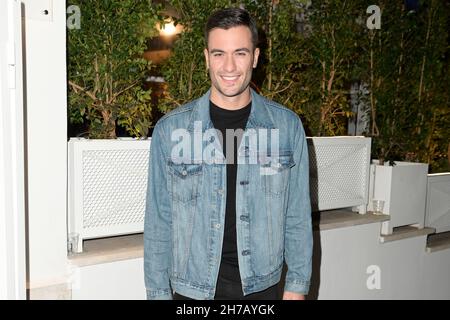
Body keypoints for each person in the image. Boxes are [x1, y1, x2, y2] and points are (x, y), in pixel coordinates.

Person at [144, 7, 312, 300]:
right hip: (192, 292)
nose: (230, 66)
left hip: (262, 289)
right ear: (207, 58)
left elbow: (297, 215)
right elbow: (159, 222)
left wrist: (296, 288)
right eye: (219, 53)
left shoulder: (286, 127)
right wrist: (158, 295)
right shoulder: (170, 131)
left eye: (241, 53)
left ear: (256, 57)